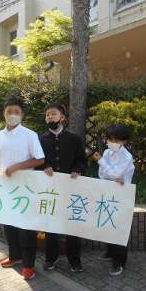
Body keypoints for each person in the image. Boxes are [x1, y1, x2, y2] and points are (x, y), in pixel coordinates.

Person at [0, 96, 45, 281]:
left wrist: (17, 166)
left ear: (22, 114)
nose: (12, 115)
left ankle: (28, 265)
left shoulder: (29, 135)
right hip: (5, 187)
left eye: (16, 112)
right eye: (9, 111)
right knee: (9, 223)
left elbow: (40, 159)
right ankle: (14, 256)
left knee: (25, 227)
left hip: (25, 188)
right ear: (3, 113)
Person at [40, 102, 87, 273]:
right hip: (50, 189)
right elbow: (37, 160)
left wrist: (77, 169)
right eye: (47, 115)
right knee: (51, 225)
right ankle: (50, 258)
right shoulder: (40, 139)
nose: (49, 117)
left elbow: (82, 160)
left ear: (62, 117)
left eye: (53, 113)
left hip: (70, 188)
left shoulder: (74, 139)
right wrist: (44, 165)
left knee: (72, 225)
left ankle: (75, 260)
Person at [91, 123, 135, 276]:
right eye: (110, 139)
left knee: (119, 228)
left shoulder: (127, 157)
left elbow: (115, 174)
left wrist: (102, 162)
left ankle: (119, 262)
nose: (111, 142)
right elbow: (102, 174)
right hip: (108, 192)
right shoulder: (107, 152)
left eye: (116, 140)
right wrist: (113, 174)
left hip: (122, 195)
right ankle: (109, 252)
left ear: (124, 141)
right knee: (108, 224)